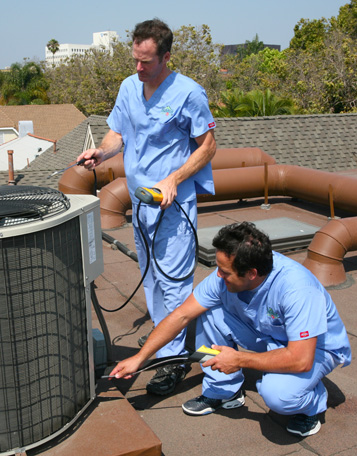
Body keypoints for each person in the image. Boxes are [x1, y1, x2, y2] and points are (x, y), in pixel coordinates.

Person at [78, 18, 217, 396]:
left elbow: (208, 146)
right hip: (141, 204)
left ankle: (172, 359)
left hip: (173, 206)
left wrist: (173, 178)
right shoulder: (129, 86)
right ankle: (163, 340)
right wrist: (101, 152)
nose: (138, 68)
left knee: (173, 282)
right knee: (152, 278)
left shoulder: (188, 94)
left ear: (166, 57)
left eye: (146, 62)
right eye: (135, 60)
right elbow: (119, 133)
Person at [109, 222, 352, 437]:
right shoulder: (228, 275)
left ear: (251, 273)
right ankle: (223, 389)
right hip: (268, 335)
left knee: (278, 395)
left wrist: (238, 359)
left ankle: (314, 403)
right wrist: (140, 358)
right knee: (208, 311)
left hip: (315, 349)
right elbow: (182, 315)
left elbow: (301, 359)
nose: (217, 275)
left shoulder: (298, 289)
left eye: (224, 272)